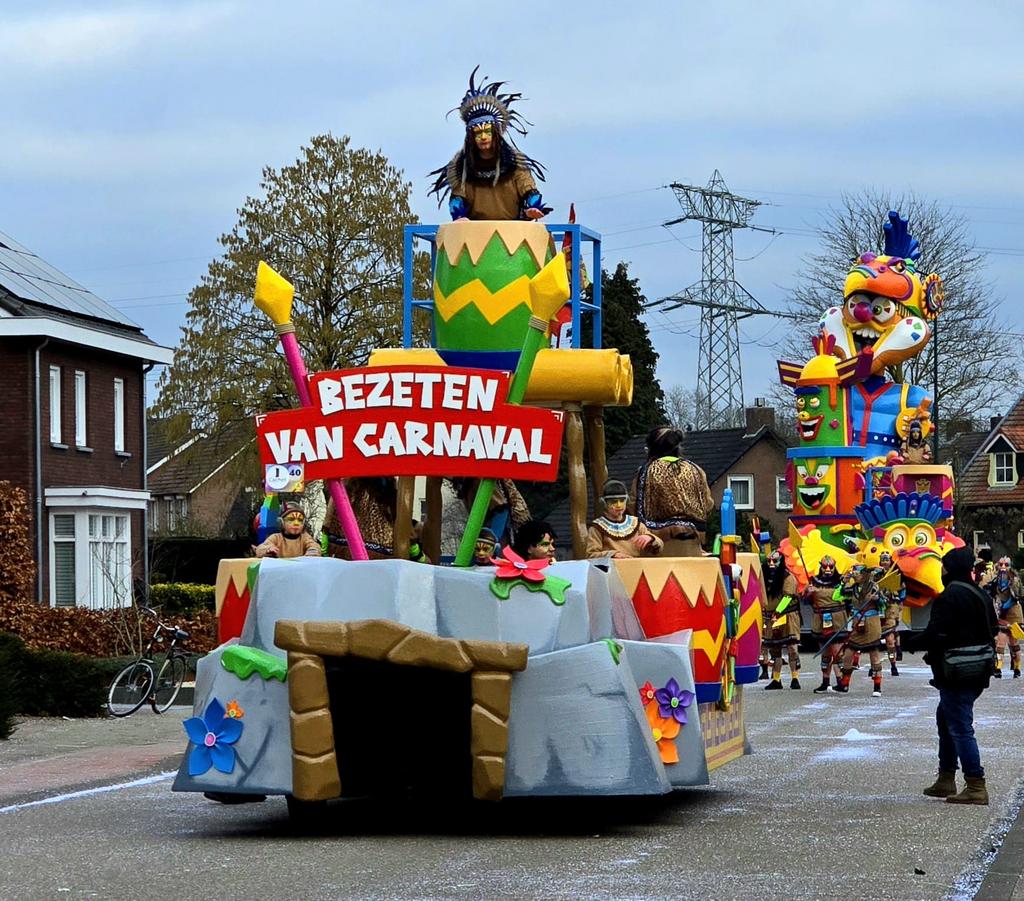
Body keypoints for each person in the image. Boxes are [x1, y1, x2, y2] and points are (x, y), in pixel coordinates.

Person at [907, 545, 998, 805]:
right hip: (978, 669)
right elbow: (992, 627)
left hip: (956, 670)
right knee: (946, 719)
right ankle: (946, 777)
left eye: (944, 566)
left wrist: (908, 642)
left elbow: (936, 633)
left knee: (959, 726)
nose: (942, 570)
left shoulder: (949, 597)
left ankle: (975, 784)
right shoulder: (979, 594)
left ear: (952, 568)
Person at [429, 67, 549, 221]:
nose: (483, 137)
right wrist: (459, 216)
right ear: (471, 137)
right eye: (478, 133)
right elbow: (457, 199)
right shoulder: (462, 167)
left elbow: (529, 190)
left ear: (495, 133)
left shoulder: (515, 163)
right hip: (476, 236)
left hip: (512, 233)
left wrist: (533, 206)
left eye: (487, 131)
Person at [632, 426, 714, 557]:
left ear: (651, 448)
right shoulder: (695, 470)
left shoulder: (645, 471)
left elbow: (633, 506)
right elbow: (708, 504)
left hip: (656, 544)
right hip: (692, 543)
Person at [324, 478, 428, 562]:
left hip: (377, 565)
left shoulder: (389, 495)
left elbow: (405, 528)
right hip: (357, 563)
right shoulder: (348, 490)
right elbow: (328, 523)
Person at [834, 565, 886, 697]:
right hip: (857, 622)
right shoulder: (852, 588)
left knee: (874, 654)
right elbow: (836, 597)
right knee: (848, 654)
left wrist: (877, 599)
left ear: (864, 575)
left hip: (871, 622)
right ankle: (844, 684)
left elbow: (884, 604)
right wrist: (843, 583)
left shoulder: (875, 586)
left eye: (857, 574)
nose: (855, 576)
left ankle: (877, 687)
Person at [585, 479, 663, 559]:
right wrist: (613, 554)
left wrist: (650, 538)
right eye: (613, 502)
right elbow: (591, 555)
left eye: (622, 501)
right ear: (604, 503)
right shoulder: (597, 528)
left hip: (636, 567)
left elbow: (659, 547)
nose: (619, 505)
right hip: (611, 569)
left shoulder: (635, 524)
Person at [762, 550, 802, 691]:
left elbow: (787, 597)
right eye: (769, 561)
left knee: (792, 648)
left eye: (775, 561)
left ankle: (795, 678)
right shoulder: (764, 578)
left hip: (788, 615)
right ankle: (776, 679)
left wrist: (778, 612)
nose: (771, 564)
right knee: (775, 649)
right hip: (770, 617)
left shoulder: (788, 577)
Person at [806, 555, 847, 693]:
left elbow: (847, 598)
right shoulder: (813, 581)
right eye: (824, 567)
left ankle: (841, 681)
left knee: (837, 652)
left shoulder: (842, 581)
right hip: (820, 619)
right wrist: (808, 593)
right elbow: (806, 601)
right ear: (820, 567)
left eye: (830, 566)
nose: (828, 569)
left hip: (837, 618)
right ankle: (825, 682)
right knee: (825, 652)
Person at [981, 556, 1023, 678]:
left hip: (1014, 611)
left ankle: (1017, 668)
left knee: (1014, 641)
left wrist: (1005, 606)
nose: (1003, 567)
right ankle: (998, 668)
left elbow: (1017, 595)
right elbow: (985, 587)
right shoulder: (996, 577)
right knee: (1001, 641)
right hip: (1001, 611)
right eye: (1001, 564)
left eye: (1006, 565)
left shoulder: (1014, 579)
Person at [253, 502, 321, 559]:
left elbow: (314, 545)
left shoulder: (305, 538)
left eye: (300, 520)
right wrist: (268, 549)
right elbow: (260, 549)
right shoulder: (276, 537)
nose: (296, 523)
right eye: (291, 519)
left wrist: (313, 551)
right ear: (281, 522)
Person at [878, 550, 906, 676]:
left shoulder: (896, 574)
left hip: (891, 607)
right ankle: (875, 664)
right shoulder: (876, 574)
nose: (885, 562)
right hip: (877, 608)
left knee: (890, 639)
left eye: (886, 560)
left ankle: (893, 664)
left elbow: (903, 589)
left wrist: (900, 602)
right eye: (882, 560)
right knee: (873, 639)